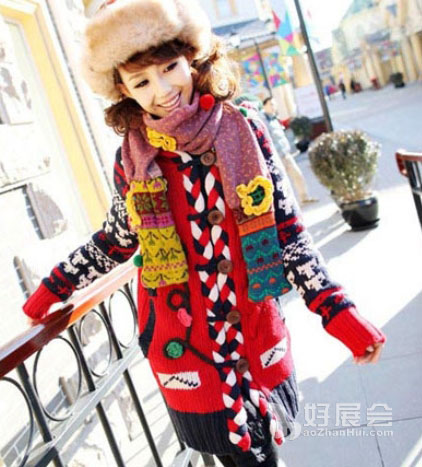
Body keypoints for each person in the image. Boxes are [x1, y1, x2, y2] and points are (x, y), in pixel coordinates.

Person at [22, 1, 386, 465]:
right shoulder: (132, 160)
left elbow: (289, 235)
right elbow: (116, 238)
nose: (163, 90)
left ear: (191, 58)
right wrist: (51, 290)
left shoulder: (243, 130)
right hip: (187, 350)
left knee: (261, 451)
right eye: (141, 82)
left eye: (169, 68)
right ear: (123, 91)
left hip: (253, 334)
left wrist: (339, 314)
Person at [262, 97, 318, 206]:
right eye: (271, 104)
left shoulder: (274, 118)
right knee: (282, 182)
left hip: (286, 154)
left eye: (274, 104)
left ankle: (304, 198)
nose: (273, 106)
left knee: (297, 175)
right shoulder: (264, 121)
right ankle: (289, 205)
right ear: (264, 106)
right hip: (276, 157)